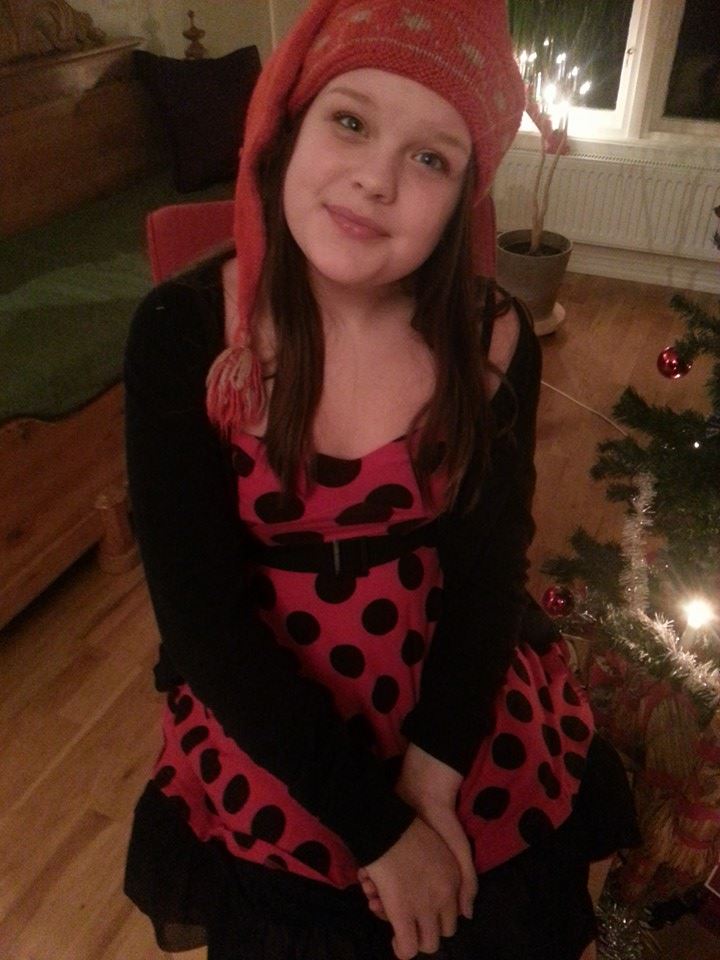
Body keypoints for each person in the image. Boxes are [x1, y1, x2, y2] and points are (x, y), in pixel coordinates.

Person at [123, 2, 639, 958]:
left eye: (430, 157)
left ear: (464, 194)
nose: (377, 178)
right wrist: (382, 832)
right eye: (351, 121)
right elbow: (202, 620)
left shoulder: (489, 341)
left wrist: (431, 788)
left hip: (454, 703)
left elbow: (487, 575)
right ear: (289, 126)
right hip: (274, 723)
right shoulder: (184, 335)